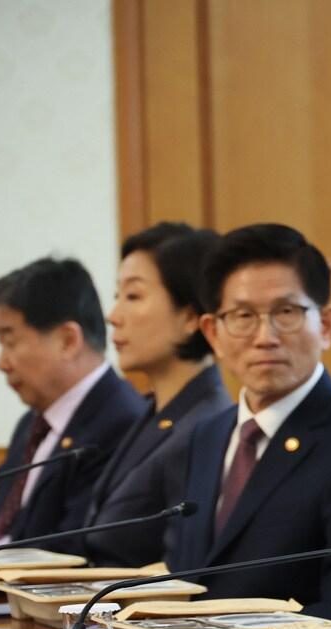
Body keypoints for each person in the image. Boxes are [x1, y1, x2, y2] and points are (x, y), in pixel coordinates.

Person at [159, 223, 331, 621]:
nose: (265, 337)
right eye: (243, 316)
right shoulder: (204, 437)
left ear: (326, 325)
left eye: (286, 312)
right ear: (213, 333)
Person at [84, 222, 232, 566]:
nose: (113, 316)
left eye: (133, 296)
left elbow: (178, 573)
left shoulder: (205, 426)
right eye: (117, 295)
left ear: (191, 317)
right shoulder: (157, 411)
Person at [0, 257, 145, 551]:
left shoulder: (122, 422)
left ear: (68, 340)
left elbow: (72, 549)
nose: (1, 363)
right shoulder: (32, 424)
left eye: (10, 342)